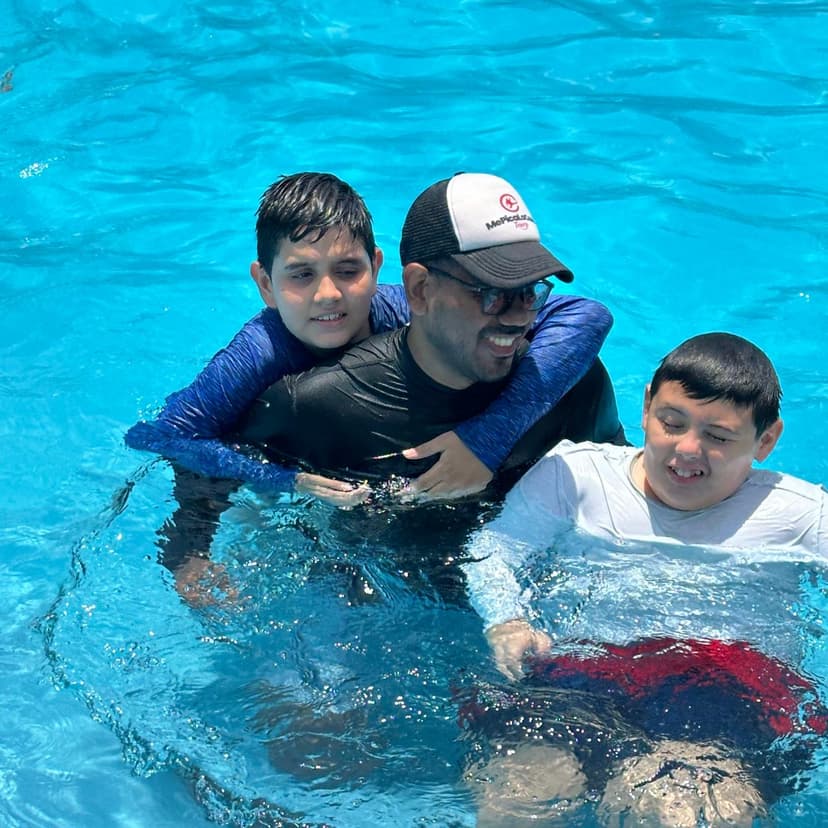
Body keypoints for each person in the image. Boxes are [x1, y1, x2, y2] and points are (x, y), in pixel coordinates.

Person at [462, 332, 828, 826]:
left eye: (719, 438)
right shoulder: (577, 477)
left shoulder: (800, 516)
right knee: (518, 800)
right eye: (671, 423)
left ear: (766, 440)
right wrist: (506, 617)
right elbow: (494, 549)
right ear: (646, 406)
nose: (687, 450)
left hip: (718, 693)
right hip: (579, 676)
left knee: (678, 813)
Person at [125, 171, 613, 509]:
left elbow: (587, 313)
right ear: (265, 285)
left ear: (376, 268)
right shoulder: (261, 353)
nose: (328, 294)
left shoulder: (403, 307)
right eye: (301, 275)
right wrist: (281, 480)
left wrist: (488, 437)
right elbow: (160, 436)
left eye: (348, 270)